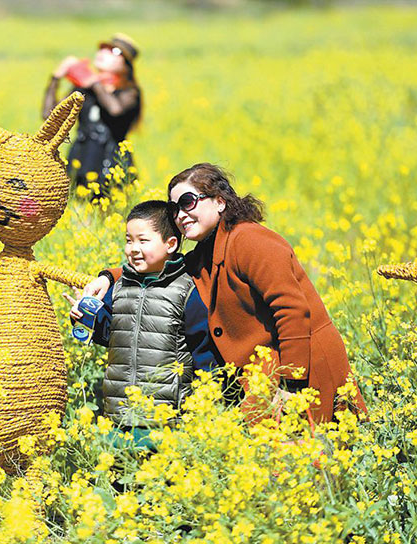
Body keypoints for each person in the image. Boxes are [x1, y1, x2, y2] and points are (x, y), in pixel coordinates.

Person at [82, 164, 367, 423]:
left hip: (304, 366)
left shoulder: (250, 240)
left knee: (312, 464)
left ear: (220, 201)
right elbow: (170, 267)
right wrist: (109, 277)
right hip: (267, 372)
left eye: (188, 202)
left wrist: (292, 385)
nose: (180, 215)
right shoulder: (209, 249)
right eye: (174, 209)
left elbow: (291, 310)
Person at [65, 201, 220, 446]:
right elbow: (109, 335)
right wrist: (84, 318)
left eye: (143, 241)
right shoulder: (118, 286)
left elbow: (203, 352)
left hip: (167, 420)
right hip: (119, 416)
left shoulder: (186, 290)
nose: (133, 249)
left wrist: (204, 407)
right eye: (129, 240)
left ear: (171, 244)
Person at [42, 33, 142, 198]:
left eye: (114, 51)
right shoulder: (83, 90)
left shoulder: (129, 92)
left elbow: (115, 110)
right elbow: (50, 116)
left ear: (127, 65)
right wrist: (55, 78)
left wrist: (93, 81)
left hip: (113, 161)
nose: (103, 53)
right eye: (102, 48)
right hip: (80, 158)